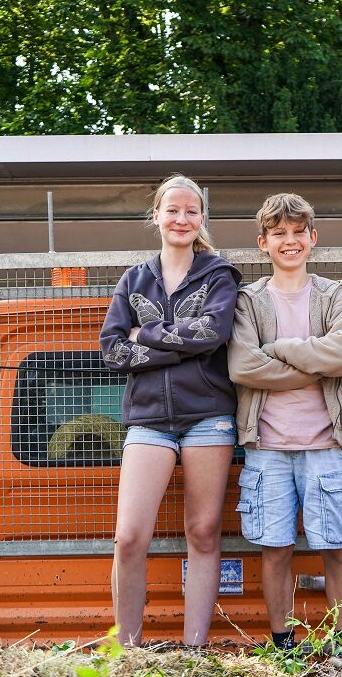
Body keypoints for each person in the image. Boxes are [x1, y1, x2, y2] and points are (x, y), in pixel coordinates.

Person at [99, 174, 241, 646]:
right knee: (128, 537)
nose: (182, 219)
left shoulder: (218, 274)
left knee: (202, 532)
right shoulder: (134, 279)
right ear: (156, 215)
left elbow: (213, 333)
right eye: (173, 210)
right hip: (149, 421)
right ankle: (128, 651)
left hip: (208, 417)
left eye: (191, 211)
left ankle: (194, 650)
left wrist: (146, 334)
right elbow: (113, 350)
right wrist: (180, 348)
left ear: (202, 219)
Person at [227, 192, 342, 651]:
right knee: (275, 548)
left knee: (337, 547)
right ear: (263, 243)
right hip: (267, 445)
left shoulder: (332, 294)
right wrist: (314, 362)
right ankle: (284, 646)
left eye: (297, 232)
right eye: (278, 233)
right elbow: (243, 367)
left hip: (325, 443)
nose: (289, 241)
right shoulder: (249, 300)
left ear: (313, 237)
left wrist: (281, 349)